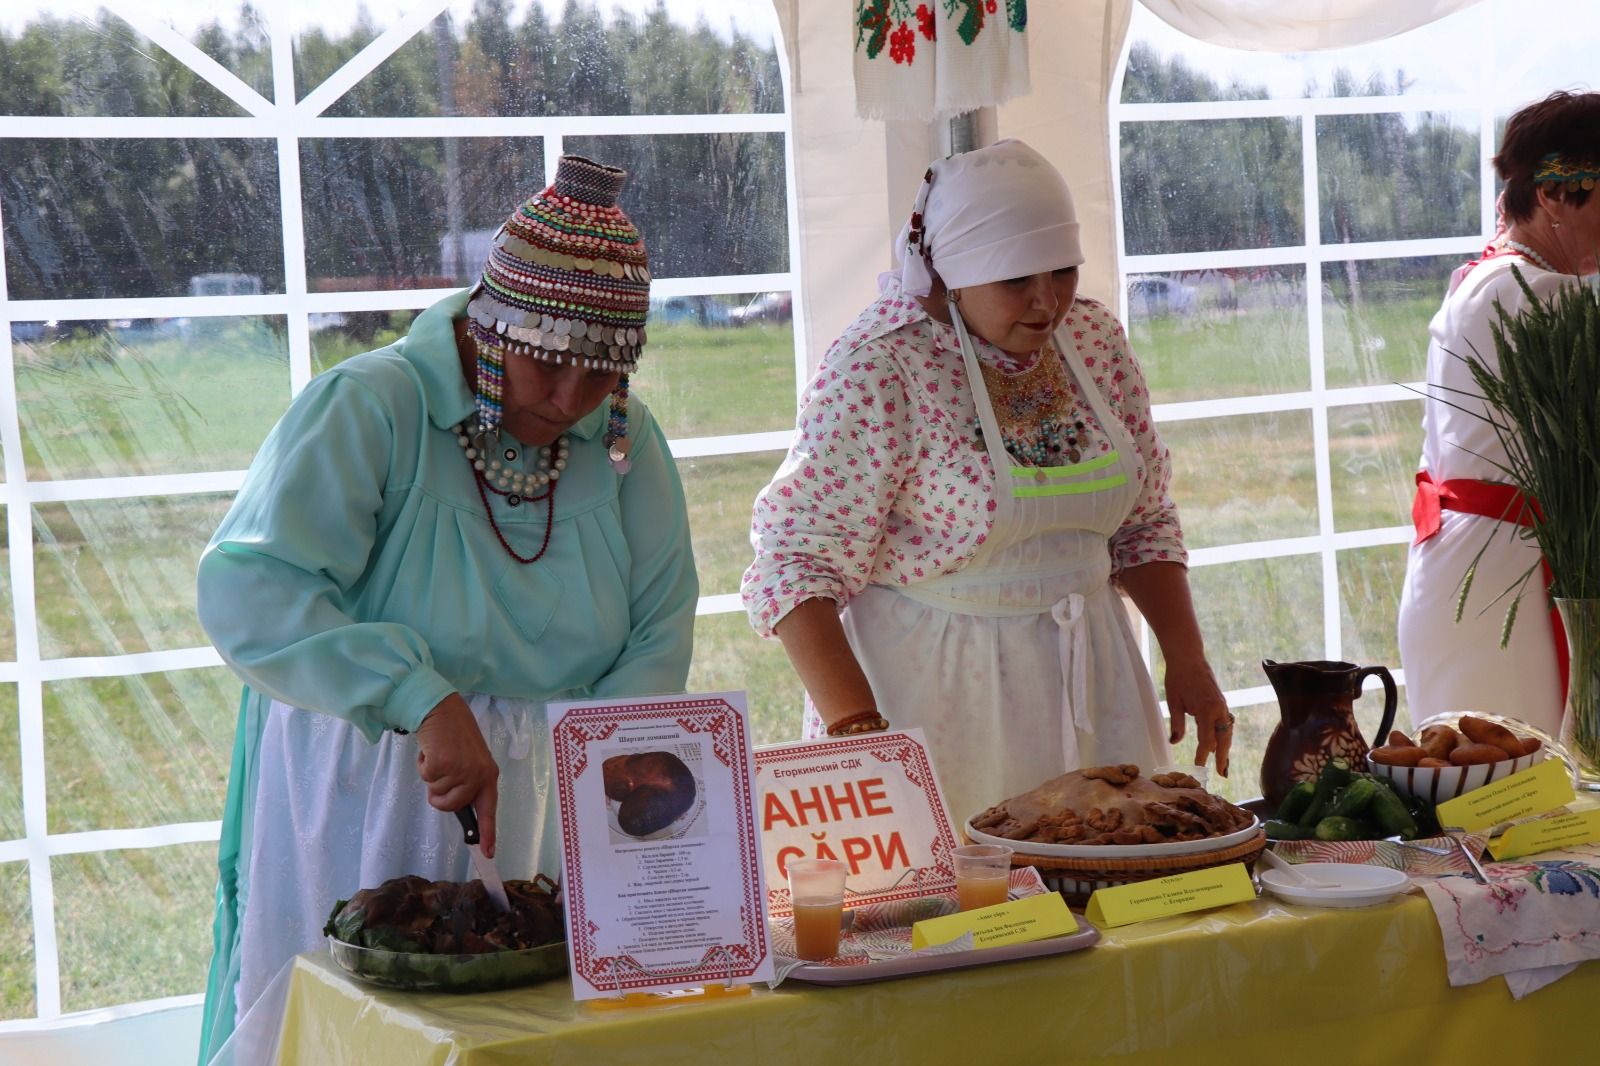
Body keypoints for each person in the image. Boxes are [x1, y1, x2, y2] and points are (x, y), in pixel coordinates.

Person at [194, 155, 697, 1062]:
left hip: (556, 790)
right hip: (373, 774)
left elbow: (661, 621)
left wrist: (614, 765)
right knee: (361, 1029)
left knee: (533, 1035)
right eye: (549, 364)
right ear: (490, 319)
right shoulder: (371, 406)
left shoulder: (625, 441)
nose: (572, 400)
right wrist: (418, 695)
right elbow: (251, 587)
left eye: (601, 373)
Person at [740, 139, 1230, 825]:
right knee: (971, 909)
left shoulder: (1092, 342)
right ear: (951, 275)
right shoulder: (882, 368)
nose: (1045, 302)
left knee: (1113, 888)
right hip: (939, 701)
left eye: (1061, 271)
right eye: (1014, 280)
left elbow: (1142, 522)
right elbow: (796, 565)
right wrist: (862, 740)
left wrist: (1188, 659)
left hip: (1096, 675)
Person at [1400, 90, 1600, 735]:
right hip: (1503, 581)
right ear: (1553, 195)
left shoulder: (1499, 275)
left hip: (1481, 563)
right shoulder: (1531, 292)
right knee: (1515, 789)